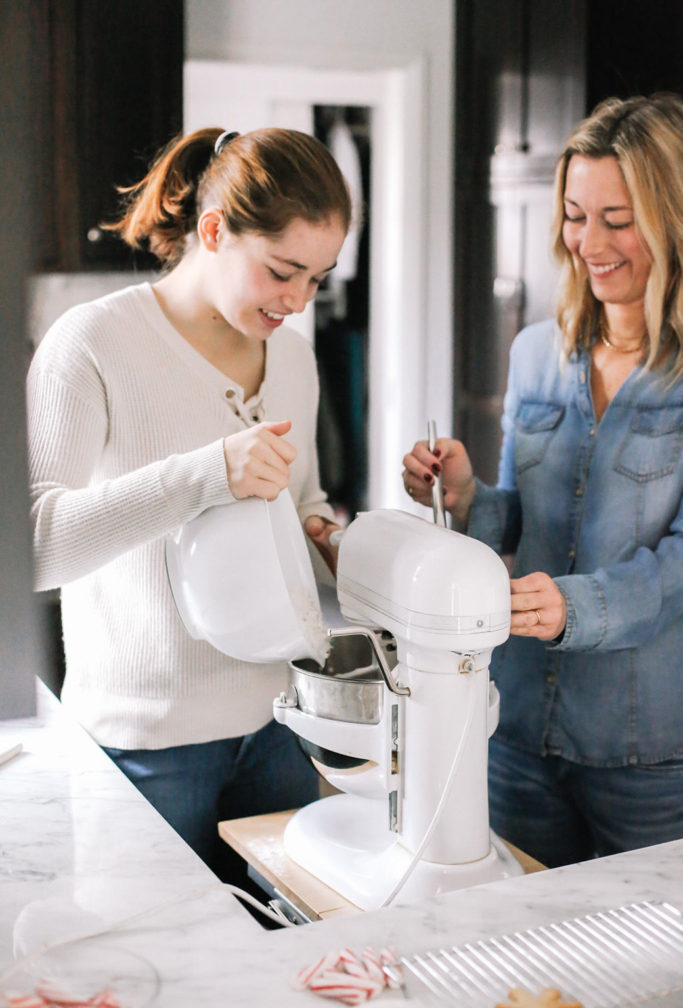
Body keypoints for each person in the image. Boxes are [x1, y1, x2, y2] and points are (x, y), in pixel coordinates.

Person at [27, 126, 351, 886]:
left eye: (318, 279)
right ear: (213, 231)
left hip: (276, 729)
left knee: (284, 975)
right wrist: (207, 473)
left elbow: (300, 501)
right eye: (282, 272)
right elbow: (32, 548)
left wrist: (331, 540)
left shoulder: (294, 358)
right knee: (155, 983)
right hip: (142, 748)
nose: (298, 302)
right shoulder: (92, 344)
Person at [402, 94, 683, 868]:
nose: (588, 243)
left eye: (617, 219)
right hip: (514, 730)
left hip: (652, 754)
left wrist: (576, 607)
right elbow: (521, 523)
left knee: (651, 974)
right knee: (517, 957)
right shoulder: (535, 352)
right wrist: (464, 498)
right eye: (573, 214)